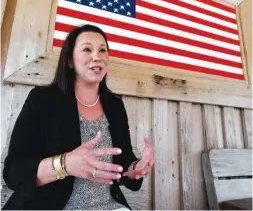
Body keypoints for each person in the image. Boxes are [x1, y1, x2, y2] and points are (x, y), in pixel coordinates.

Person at [3, 24, 155, 210]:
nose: (96, 56)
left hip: (109, 206)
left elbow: (122, 162)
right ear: (70, 61)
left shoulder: (115, 105)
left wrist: (135, 168)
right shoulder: (42, 100)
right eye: (87, 49)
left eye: (102, 50)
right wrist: (64, 164)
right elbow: (14, 172)